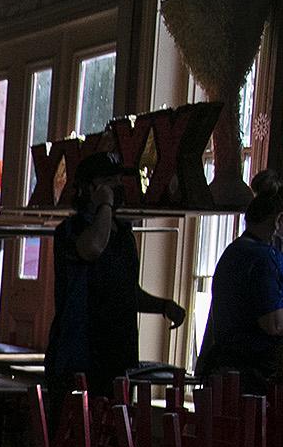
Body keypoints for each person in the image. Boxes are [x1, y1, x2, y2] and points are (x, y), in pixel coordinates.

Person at [44, 151, 187, 391]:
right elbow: (92, 248)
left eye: (119, 182)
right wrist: (105, 205)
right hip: (79, 356)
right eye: (110, 182)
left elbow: (126, 292)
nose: (118, 187)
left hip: (119, 355)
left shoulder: (123, 234)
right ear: (91, 188)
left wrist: (162, 306)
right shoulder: (71, 231)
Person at [197, 174, 283, 392]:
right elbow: (275, 323)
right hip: (252, 377)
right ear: (279, 220)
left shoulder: (235, 250)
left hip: (228, 372)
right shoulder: (263, 258)